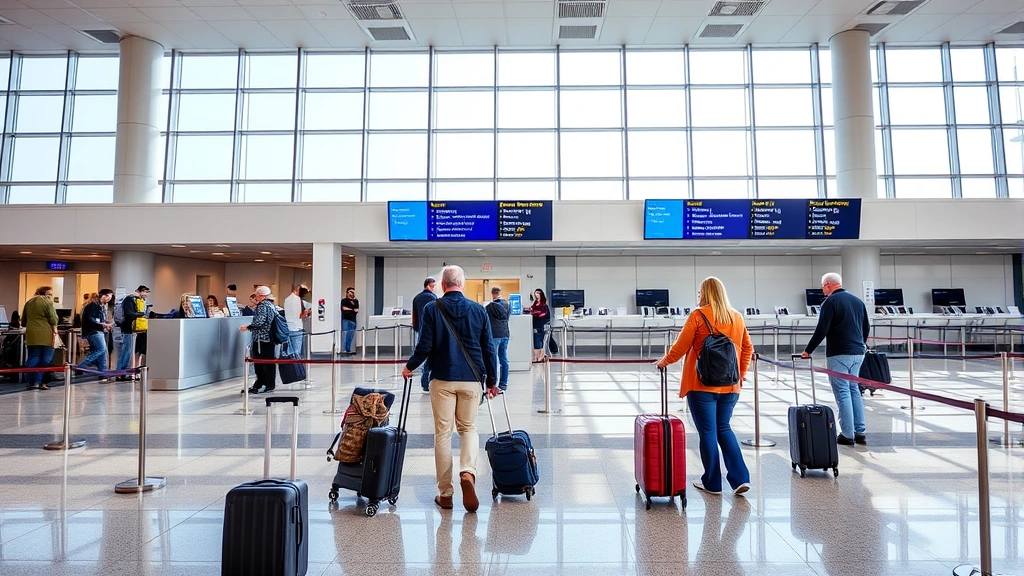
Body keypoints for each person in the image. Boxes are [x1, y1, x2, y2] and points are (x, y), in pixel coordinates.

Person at [401, 265, 499, 513]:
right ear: (462, 284)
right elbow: (489, 348)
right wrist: (492, 381)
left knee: (443, 434)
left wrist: (410, 366)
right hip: (472, 378)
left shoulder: (431, 308)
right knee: (468, 429)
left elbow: (424, 345)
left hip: (442, 378)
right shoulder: (479, 310)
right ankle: (468, 472)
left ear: (443, 285)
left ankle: (445, 494)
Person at [656, 276, 753, 496]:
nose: (698, 296)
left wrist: (664, 361)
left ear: (706, 293)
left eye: (700, 292)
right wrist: (742, 373)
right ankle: (740, 479)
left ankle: (712, 483)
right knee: (724, 428)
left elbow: (681, 346)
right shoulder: (736, 317)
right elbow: (748, 348)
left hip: (702, 385)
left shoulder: (699, 315)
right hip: (730, 385)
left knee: (708, 432)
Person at [801, 272, 871, 446]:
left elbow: (822, 329)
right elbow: (866, 327)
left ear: (828, 284)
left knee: (842, 392)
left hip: (839, 353)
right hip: (858, 352)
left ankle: (847, 434)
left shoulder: (830, 302)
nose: (823, 289)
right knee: (854, 389)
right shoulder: (857, 301)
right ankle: (859, 431)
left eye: (823, 286)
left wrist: (808, 351)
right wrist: (860, 344)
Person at [240, 286, 277, 394]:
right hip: (269, 338)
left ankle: (263, 384)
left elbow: (260, 322)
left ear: (261, 296)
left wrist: (248, 327)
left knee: (260, 363)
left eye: (256, 295)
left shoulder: (262, 306)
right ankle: (267, 384)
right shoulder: (271, 305)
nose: (255, 297)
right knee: (269, 363)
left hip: (261, 339)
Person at [22, 286, 58, 390]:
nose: (51, 296)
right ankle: (39, 381)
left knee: (33, 357)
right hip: (46, 334)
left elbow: (23, 320)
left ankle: (31, 381)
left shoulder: (29, 302)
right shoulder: (47, 302)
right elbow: (54, 318)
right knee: (46, 359)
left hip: (31, 335)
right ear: (46, 294)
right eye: (50, 294)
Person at [78, 289, 114, 380]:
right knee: (101, 350)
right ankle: (81, 366)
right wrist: (103, 324)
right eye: (107, 296)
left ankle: (102, 371)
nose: (109, 298)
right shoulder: (93, 306)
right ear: (101, 295)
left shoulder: (101, 306)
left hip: (98, 330)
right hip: (93, 331)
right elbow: (91, 319)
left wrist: (105, 324)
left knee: (103, 351)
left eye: (110, 296)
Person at [116, 286, 149, 381]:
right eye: (144, 292)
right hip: (128, 328)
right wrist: (140, 314)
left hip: (134, 329)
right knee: (126, 350)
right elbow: (129, 313)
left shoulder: (138, 300)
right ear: (139, 291)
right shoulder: (130, 299)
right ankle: (120, 372)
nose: (146, 294)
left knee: (129, 351)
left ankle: (123, 372)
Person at [411, 277, 438, 393]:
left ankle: (424, 383)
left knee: (423, 354)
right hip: (430, 330)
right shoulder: (432, 298)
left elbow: (414, 315)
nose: (434, 288)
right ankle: (426, 382)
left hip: (420, 329)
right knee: (430, 357)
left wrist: (416, 327)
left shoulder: (416, 298)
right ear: (429, 285)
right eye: (433, 286)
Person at [486, 286, 510, 391]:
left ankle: (493, 383)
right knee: (503, 359)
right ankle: (503, 384)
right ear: (500, 293)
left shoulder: (489, 306)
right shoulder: (507, 305)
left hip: (494, 334)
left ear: (492, 293)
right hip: (505, 333)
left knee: (493, 359)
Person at [284, 284, 311, 356]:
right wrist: (307, 312)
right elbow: (299, 315)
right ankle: (297, 366)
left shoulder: (287, 299)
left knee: (291, 351)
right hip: (297, 327)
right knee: (297, 351)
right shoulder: (298, 300)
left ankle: (291, 366)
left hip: (289, 327)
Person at [527, 288, 550, 363]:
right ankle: (538, 357)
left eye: (538, 293)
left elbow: (542, 314)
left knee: (539, 340)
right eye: (535, 293)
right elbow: (532, 309)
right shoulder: (535, 303)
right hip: (536, 324)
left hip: (541, 325)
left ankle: (540, 357)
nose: (536, 294)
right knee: (536, 340)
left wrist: (534, 312)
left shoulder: (544, 304)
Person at [340, 287, 359, 354]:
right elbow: (344, 308)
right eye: (351, 292)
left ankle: (349, 349)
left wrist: (350, 308)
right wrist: (352, 309)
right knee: (345, 334)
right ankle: (344, 349)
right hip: (346, 320)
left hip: (353, 320)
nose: (352, 293)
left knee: (351, 335)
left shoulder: (356, 301)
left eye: (353, 292)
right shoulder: (344, 300)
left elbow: (356, 310)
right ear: (347, 293)